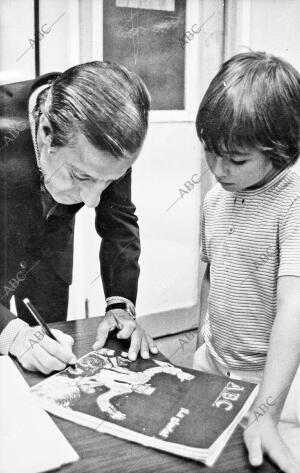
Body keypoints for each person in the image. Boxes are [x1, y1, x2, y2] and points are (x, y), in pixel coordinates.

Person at [0, 61, 158, 374]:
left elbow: (119, 224)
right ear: (46, 133)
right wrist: (11, 332)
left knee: (49, 357)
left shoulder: (107, 135)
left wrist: (119, 305)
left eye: (108, 182)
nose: (92, 200)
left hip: (50, 258)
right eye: (80, 176)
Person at [194, 51, 300, 472]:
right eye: (210, 152)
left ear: (283, 150)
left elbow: (294, 306)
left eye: (237, 160)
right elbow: (211, 273)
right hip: (216, 362)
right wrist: (202, 347)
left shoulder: (293, 203)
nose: (219, 169)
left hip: (274, 383)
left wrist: (267, 412)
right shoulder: (214, 199)